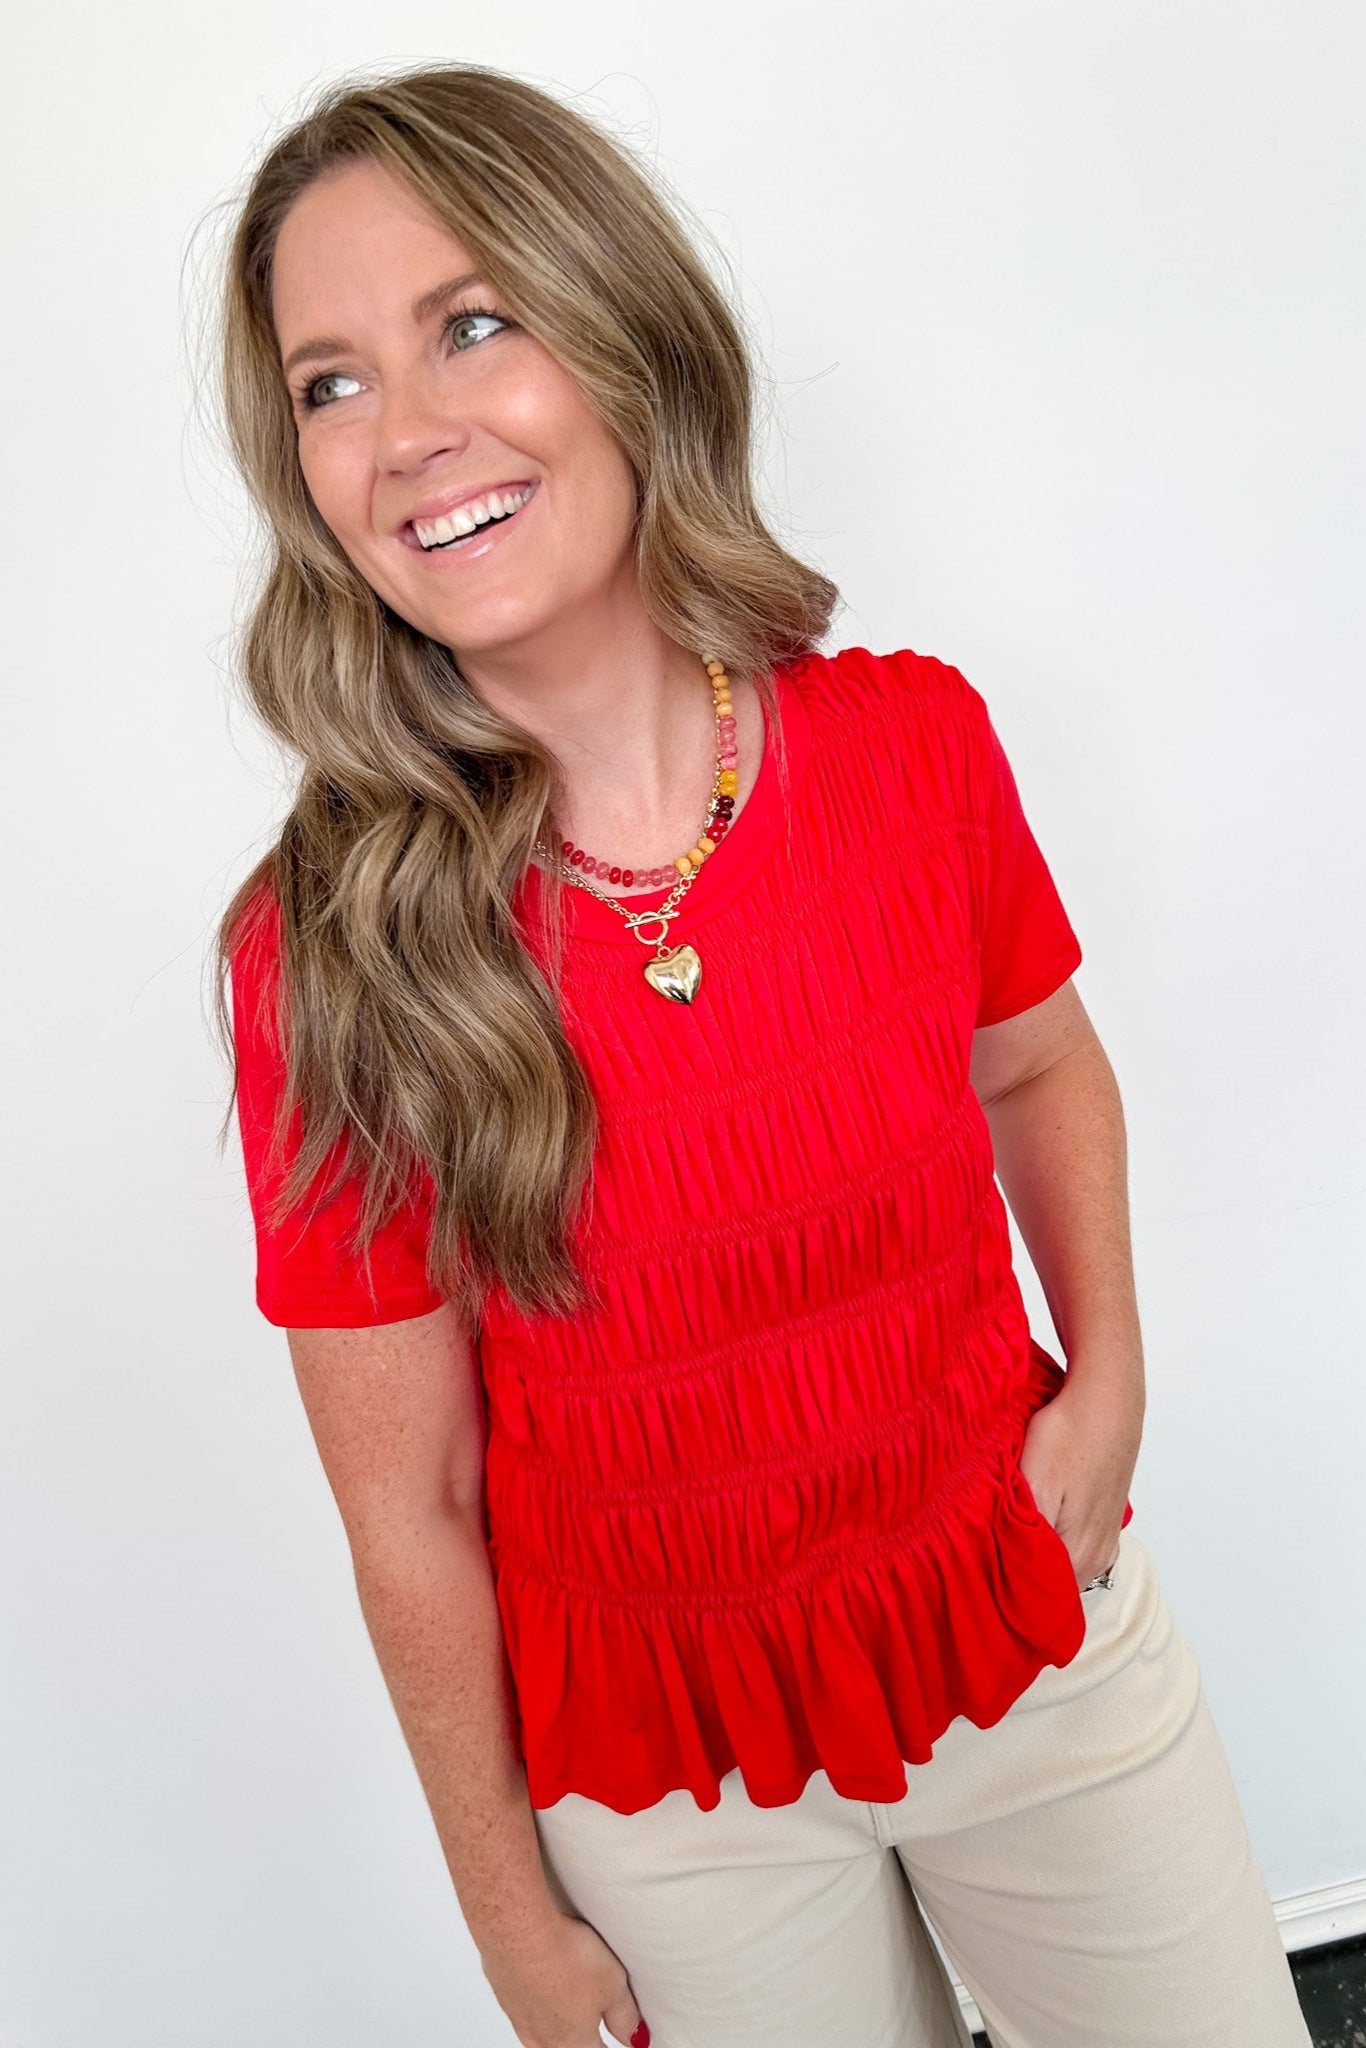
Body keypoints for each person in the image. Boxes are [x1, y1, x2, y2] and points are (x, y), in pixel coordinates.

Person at [213, 62, 1312, 2048]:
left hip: (1021, 1631)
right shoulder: (325, 954)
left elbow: (1040, 1071)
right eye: (330, 381)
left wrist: (1111, 1385)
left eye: (472, 322)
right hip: (673, 1799)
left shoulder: (910, 748)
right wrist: (512, 1931)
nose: (409, 431)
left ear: (617, 333)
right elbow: (412, 1518)